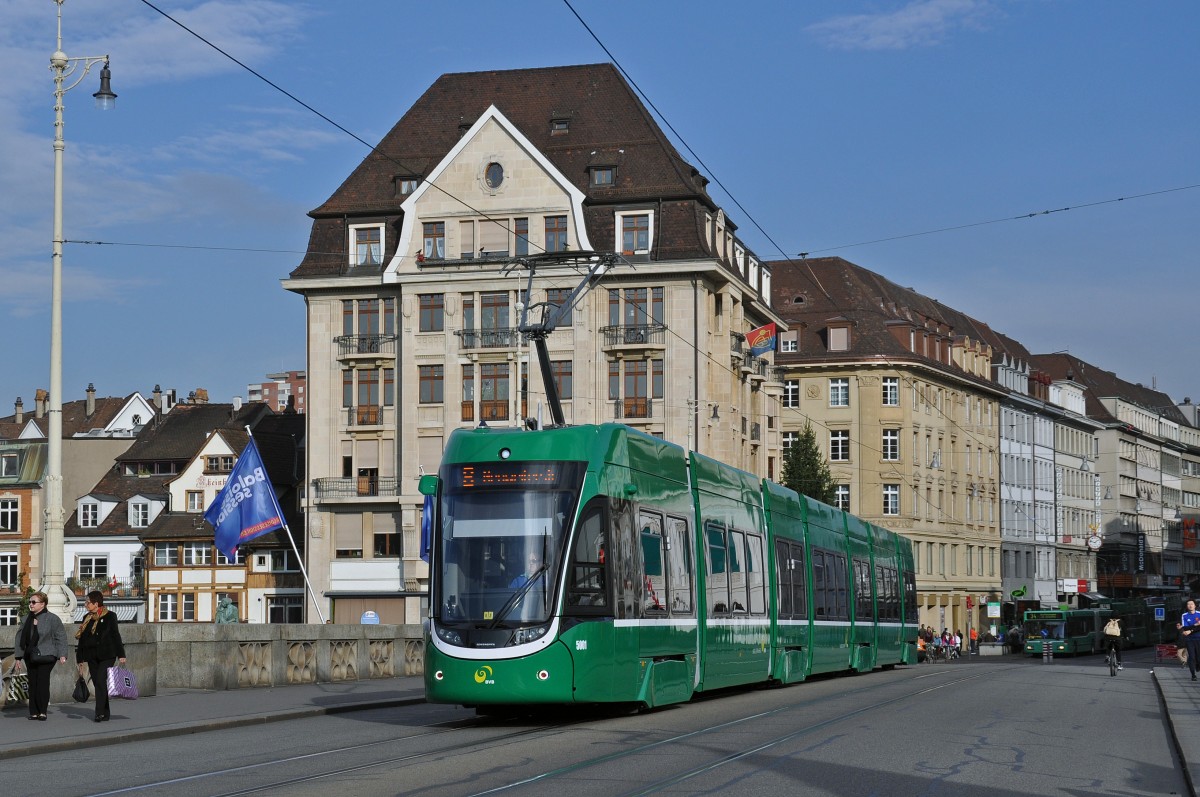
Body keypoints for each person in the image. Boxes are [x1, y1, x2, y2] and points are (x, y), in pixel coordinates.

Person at [12, 591, 68, 720]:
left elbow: (61, 637)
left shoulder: (52, 618)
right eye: (30, 602)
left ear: (42, 604)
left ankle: (43, 711)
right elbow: (20, 638)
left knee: (42, 682)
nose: (30, 605)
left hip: (47, 655)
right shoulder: (26, 618)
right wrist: (18, 658)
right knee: (33, 683)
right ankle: (34, 712)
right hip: (30, 655)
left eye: (33, 602)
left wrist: (62, 654)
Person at [76, 590, 127, 722]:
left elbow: (116, 635)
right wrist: (80, 659)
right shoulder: (86, 618)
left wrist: (121, 654)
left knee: (99, 681)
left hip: (107, 655)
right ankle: (105, 712)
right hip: (91, 656)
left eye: (88, 602)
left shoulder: (110, 616)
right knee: (99, 684)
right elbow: (82, 639)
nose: (86, 604)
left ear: (96, 603)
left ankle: (98, 713)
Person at [1177, 598, 1200, 681]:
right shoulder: (1184, 615)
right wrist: (1195, 625)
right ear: (1186, 606)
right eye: (1188, 604)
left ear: (1195, 605)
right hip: (1189, 639)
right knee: (1191, 657)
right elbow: (1185, 627)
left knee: (1198, 657)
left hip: (1199, 638)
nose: (1190, 605)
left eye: (1192, 604)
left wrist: (1191, 630)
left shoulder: (1199, 614)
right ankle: (1193, 675)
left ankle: (1198, 664)